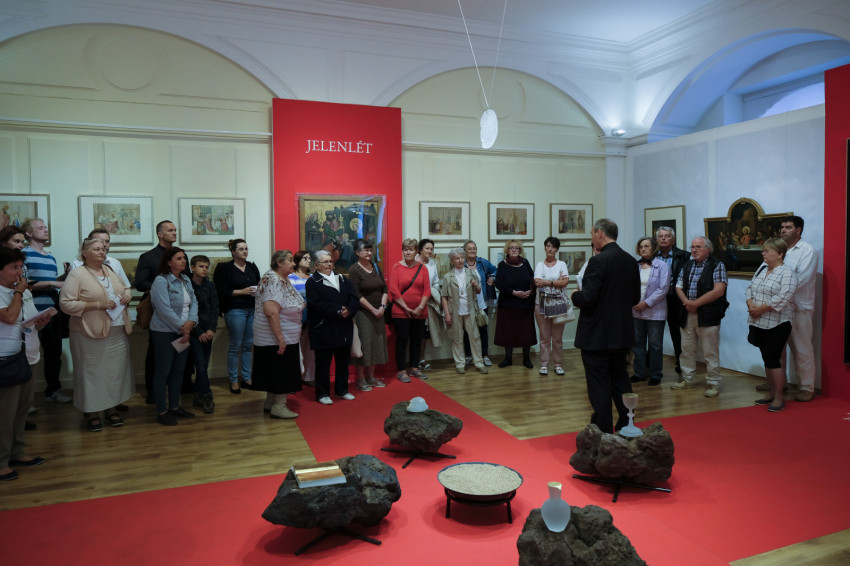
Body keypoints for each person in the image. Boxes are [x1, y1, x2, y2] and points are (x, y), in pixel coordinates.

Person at [570, 219, 640, 434]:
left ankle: (603, 430)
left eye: (592, 234)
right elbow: (635, 298)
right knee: (620, 379)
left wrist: (575, 295)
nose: (592, 238)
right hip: (621, 333)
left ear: (600, 233)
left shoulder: (598, 261)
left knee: (599, 384)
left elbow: (587, 298)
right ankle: (627, 424)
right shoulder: (630, 261)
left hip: (597, 336)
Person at [59, 238, 133, 432]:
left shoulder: (109, 270)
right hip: (88, 333)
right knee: (92, 375)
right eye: (97, 249)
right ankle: (92, 413)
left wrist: (127, 294)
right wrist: (97, 305)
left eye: (104, 249)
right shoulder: (77, 274)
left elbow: (125, 287)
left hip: (116, 331)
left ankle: (111, 410)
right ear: (85, 253)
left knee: (114, 374)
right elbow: (66, 304)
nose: (102, 252)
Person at [0, 248, 52, 481]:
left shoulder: (23, 292)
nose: (19, 272)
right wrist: (19, 293)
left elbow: (27, 320)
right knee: (5, 414)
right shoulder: (10, 292)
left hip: (29, 356)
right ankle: (1, 462)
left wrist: (41, 321)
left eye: (21, 267)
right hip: (6, 360)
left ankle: (17, 452)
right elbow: (9, 317)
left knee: (21, 410)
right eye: (14, 267)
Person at [672, 236, 729, 397]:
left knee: (710, 352)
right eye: (692, 247)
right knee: (686, 349)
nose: (694, 250)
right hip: (687, 313)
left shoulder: (717, 265)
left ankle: (713, 383)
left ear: (708, 249)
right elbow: (678, 286)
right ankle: (688, 378)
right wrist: (686, 302)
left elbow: (719, 291)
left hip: (708, 315)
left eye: (698, 247)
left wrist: (695, 304)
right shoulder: (688, 264)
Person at [746, 238, 798, 413]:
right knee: (767, 359)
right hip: (758, 321)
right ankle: (771, 393)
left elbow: (784, 297)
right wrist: (750, 304)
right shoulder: (762, 269)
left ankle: (779, 397)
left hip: (778, 323)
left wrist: (761, 308)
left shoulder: (787, 273)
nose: (763, 253)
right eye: (763, 250)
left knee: (774, 360)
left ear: (780, 254)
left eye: (767, 251)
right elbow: (750, 288)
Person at [22, 218, 71, 404]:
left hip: (51, 313)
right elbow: (25, 284)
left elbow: (51, 283)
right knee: (28, 357)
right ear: (29, 233)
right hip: (31, 314)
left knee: (53, 355)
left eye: (45, 227)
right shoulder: (24, 254)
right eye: (40, 228)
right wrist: (54, 283)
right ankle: (25, 401)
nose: (45, 230)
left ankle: (53, 391)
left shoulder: (50, 257)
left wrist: (65, 276)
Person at [253, 250, 305, 419]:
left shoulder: (280, 278)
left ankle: (270, 402)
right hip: (276, 338)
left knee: (274, 371)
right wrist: (280, 338)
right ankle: (279, 406)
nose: (294, 264)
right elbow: (271, 312)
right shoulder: (274, 280)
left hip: (280, 336)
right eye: (290, 260)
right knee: (283, 372)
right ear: (279, 262)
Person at [150, 247, 198, 426]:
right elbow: (164, 309)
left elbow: (194, 303)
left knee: (178, 371)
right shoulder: (161, 281)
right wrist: (183, 328)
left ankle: (175, 406)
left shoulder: (186, 279)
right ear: (169, 262)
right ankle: (162, 411)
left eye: (184, 258)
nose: (183, 261)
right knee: (163, 371)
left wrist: (191, 322)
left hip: (184, 332)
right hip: (164, 332)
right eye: (178, 258)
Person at [306, 250, 359, 404]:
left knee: (343, 361)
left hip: (343, 326)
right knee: (323, 363)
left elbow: (354, 298)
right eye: (325, 262)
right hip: (324, 328)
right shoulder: (312, 282)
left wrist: (349, 310)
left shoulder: (342, 278)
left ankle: (342, 390)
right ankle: (322, 393)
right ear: (316, 265)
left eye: (330, 261)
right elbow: (316, 304)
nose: (329, 264)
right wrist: (338, 310)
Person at [135, 220, 179, 404]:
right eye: (170, 230)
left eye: (175, 230)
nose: (174, 232)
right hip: (158, 311)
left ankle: (178, 388)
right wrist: (163, 287)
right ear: (160, 234)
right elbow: (140, 283)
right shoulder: (148, 257)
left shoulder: (180, 255)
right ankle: (153, 391)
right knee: (156, 351)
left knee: (180, 347)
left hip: (179, 310)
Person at [777, 216, 819, 402]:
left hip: (799, 307)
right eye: (782, 227)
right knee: (777, 348)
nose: (783, 230)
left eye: (788, 227)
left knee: (802, 349)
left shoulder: (807, 251)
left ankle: (807, 387)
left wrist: (778, 292)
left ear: (798, 230)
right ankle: (779, 382)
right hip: (778, 307)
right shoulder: (779, 249)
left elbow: (802, 279)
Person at [213, 238, 261, 394]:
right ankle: (234, 380)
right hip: (235, 309)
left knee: (248, 345)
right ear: (233, 252)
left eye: (246, 248)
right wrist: (241, 291)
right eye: (241, 249)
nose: (245, 251)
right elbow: (219, 290)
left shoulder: (252, 267)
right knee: (235, 346)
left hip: (252, 309)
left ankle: (246, 378)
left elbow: (259, 285)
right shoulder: (225, 268)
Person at [348, 239, 389, 391]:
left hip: (379, 312)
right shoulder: (354, 269)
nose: (369, 253)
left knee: (376, 344)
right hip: (363, 313)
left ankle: (371, 377)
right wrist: (372, 309)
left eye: (371, 250)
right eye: (365, 250)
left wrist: (382, 307)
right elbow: (356, 294)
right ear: (357, 252)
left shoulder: (376, 267)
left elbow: (384, 289)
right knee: (364, 344)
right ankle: (360, 379)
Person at [388, 238, 431, 382]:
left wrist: (420, 307)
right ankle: (401, 370)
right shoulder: (396, 267)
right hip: (400, 311)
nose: (408, 252)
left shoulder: (422, 268)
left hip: (420, 312)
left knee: (417, 340)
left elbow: (427, 290)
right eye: (405, 249)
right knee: (402, 341)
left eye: (411, 249)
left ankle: (414, 368)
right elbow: (393, 290)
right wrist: (406, 308)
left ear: (416, 251)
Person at [441, 248, 488, 374]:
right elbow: (444, 296)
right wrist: (446, 314)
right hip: (454, 312)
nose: (460, 260)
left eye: (462, 257)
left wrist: (476, 285)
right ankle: (460, 364)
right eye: (457, 258)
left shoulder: (471, 273)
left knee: (475, 337)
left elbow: (478, 291)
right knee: (457, 339)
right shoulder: (448, 277)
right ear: (452, 261)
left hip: (470, 311)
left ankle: (479, 363)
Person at [630, 237, 670, 386]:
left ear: (653, 248)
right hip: (635, 310)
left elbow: (663, 288)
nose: (643, 249)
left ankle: (655, 374)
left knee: (655, 344)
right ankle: (639, 373)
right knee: (637, 343)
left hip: (655, 311)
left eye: (646, 246)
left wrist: (646, 303)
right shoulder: (635, 265)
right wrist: (634, 303)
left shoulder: (662, 265)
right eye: (641, 246)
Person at [494, 239, 537, 368]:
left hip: (525, 304)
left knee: (526, 332)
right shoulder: (502, 265)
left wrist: (531, 290)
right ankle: (508, 358)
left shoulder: (525, 262)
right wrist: (514, 292)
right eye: (511, 248)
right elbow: (499, 284)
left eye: (517, 248)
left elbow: (532, 279)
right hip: (508, 304)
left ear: (520, 250)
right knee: (508, 332)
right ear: (507, 250)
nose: (514, 250)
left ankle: (526, 359)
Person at [533, 237, 571, 376]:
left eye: (553, 247)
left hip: (558, 304)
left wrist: (547, 282)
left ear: (557, 249)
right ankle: (544, 364)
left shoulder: (561, 264)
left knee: (557, 338)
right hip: (541, 304)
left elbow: (565, 282)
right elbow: (537, 282)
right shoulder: (539, 265)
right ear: (545, 247)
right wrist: (556, 282)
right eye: (548, 246)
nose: (550, 249)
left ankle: (558, 364)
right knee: (544, 337)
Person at [655, 226, 689, 375]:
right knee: (654, 335)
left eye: (667, 236)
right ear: (656, 239)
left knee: (677, 335)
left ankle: (682, 366)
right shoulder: (651, 256)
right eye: (660, 236)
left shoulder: (684, 256)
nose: (663, 238)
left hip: (675, 301)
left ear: (673, 239)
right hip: (655, 302)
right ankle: (651, 367)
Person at [188, 255, 218, 414]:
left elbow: (214, 308)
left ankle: (198, 394)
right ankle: (207, 395)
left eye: (206, 267)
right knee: (199, 364)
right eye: (201, 266)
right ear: (193, 267)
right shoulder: (187, 285)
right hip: (194, 332)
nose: (204, 269)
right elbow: (187, 311)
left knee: (203, 365)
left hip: (208, 331)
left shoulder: (210, 285)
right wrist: (198, 332)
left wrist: (211, 329)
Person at [462, 240, 497, 366]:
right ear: (464, 251)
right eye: (469, 248)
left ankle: (485, 355)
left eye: (474, 248)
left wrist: (492, 278)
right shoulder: (461, 263)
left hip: (482, 302)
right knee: (467, 331)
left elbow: (495, 270)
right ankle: (468, 355)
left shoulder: (482, 263)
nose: (472, 250)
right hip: (466, 303)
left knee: (483, 329)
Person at [288, 250, 315, 386]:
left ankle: (308, 377)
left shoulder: (313, 277)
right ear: (297, 261)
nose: (309, 260)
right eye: (305, 258)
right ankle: (294, 377)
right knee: (296, 349)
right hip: (297, 318)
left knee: (310, 349)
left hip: (313, 317)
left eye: (310, 258)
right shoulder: (291, 278)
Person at [417, 238, 443, 370]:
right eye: (427, 248)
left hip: (429, 302)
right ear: (420, 250)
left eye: (431, 249)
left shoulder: (432, 263)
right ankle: (413, 360)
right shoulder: (414, 262)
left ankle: (421, 359)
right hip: (415, 301)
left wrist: (433, 291)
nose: (429, 251)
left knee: (424, 332)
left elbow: (436, 282)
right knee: (414, 332)